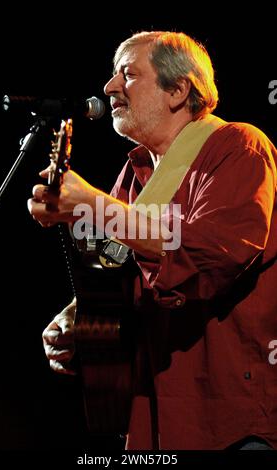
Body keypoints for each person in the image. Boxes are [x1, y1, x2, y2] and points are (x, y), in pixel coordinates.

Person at [28, 31, 277, 450]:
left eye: (127, 74)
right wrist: (80, 319)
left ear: (178, 90)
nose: (109, 89)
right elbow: (124, 274)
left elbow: (212, 253)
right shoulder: (135, 173)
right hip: (152, 424)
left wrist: (92, 203)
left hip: (228, 423)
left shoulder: (238, 147)